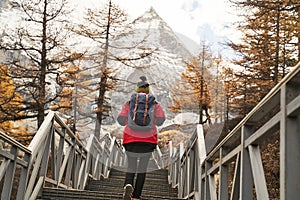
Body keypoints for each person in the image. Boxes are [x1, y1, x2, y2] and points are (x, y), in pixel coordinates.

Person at [117, 76, 166, 200]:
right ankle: (136, 196)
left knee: (131, 166)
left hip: (130, 139)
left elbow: (121, 120)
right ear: (148, 90)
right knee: (142, 168)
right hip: (148, 141)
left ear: (137, 89)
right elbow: (160, 120)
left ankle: (128, 185)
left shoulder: (129, 103)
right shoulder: (155, 104)